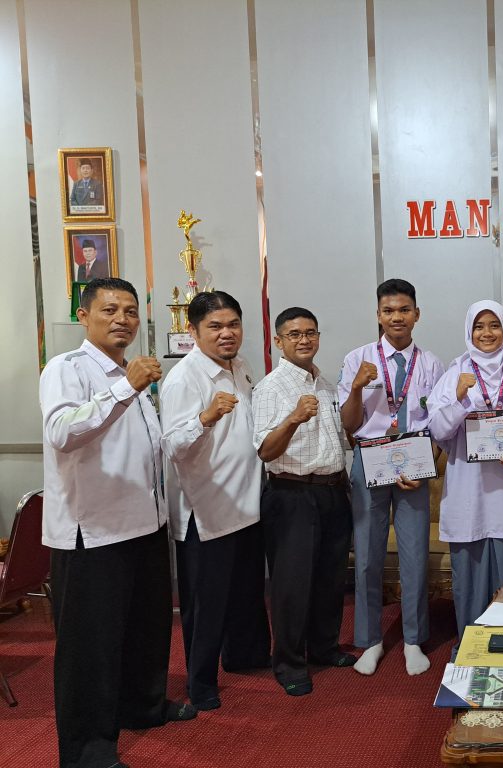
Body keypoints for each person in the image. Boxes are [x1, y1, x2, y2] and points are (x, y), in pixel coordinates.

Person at [40, 277, 195, 768]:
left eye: (130, 311)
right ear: (84, 316)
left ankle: (142, 706)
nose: (122, 319)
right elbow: (63, 432)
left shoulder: (133, 373)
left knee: (145, 629)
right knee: (91, 647)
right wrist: (126, 388)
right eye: (110, 310)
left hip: (144, 524)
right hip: (93, 532)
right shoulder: (67, 368)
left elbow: (147, 448)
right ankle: (87, 749)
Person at [160, 291, 271, 710]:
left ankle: (245, 656)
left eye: (233, 324)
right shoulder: (184, 378)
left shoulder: (240, 366)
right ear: (193, 331)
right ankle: (200, 682)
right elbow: (172, 446)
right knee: (205, 604)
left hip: (246, 501)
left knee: (245, 591)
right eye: (215, 326)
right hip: (204, 510)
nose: (227, 333)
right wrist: (204, 418)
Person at [339, 279, 445, 676]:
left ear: (417, 314)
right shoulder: (358, 359)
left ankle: (414, 639)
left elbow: (439, 424)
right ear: (378, 316)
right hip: (370, 458)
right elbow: (349, 425)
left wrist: (426, 463)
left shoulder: (432, 364)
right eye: (388, 311)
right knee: (367, 554)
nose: (396, 317)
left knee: (414, 554)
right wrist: (356, 388)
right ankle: (370, 640)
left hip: (414, 461)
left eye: (404, 310)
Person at [427, 300, 503, 639]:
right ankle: (472, 648)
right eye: (479, 326)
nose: (487, 333)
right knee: (471, 584)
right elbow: (437, 431)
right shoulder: (454, 374)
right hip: (470, 494)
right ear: (469, 331)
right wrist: (459, 399)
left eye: (494, 325)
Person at [252, 307, 354, 696]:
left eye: (310, 333)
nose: (304, 340)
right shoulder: (271, 388)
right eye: (294, 334)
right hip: (292, 494)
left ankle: (324, 647)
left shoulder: (325, 384)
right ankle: (290, 663)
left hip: (332, 490)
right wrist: (293, 418)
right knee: (292, 584)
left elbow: (341, 440)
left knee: (330, 578)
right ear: (279, 341)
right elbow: (265, 451)